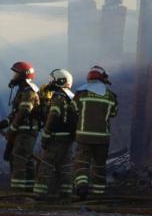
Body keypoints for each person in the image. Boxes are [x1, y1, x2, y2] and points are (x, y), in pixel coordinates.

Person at [0, 61, 41, 196]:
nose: (13, 76)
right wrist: (0, 124)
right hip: (22, 131)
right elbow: (14, 114)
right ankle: (28, 192)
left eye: (16, 74)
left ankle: (19, 194)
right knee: (24, 160)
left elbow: (24, 112)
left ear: (23, 75)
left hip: (27, 131)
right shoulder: (22, 91)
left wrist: (12, 129)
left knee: (19, 160)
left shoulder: (29, 92)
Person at [72, 65, 118, 200]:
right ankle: (98, 194)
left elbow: (73, 110)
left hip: (84, 136)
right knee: (100, 165)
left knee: (82, 162)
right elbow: (113, 113)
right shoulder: (110, 96)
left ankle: (82, 187)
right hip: (102, 138)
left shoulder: (81, 93)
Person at [33, 69, 77, 201]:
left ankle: (39, 195)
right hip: (68, 138)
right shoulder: (71, 97)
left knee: (46, 165)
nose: (50, 82)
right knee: (65, 167)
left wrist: (46, 135)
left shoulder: (58, 97)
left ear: (60, 81)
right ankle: (66, 194)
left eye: (53, 80)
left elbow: (53, 116)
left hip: (56, 137)